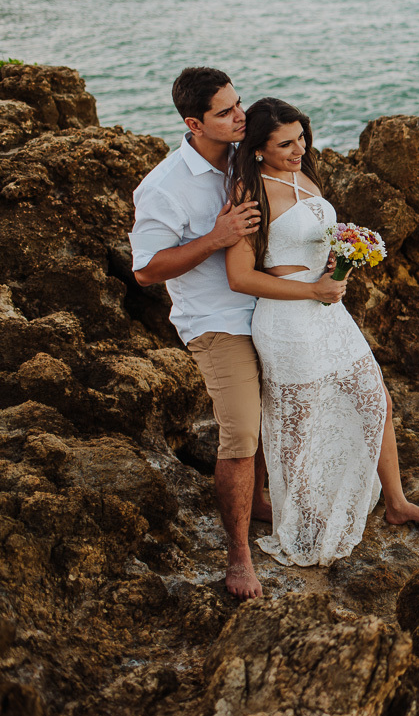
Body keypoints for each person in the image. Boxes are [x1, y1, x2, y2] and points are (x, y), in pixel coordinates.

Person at [225, 97, 419, 567]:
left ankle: (396, 502)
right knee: (299, 423)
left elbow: (311, 235)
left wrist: (338, 258)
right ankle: (301, 518)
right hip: (288, 320)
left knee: (376, 398)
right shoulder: (250, 192)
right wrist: (312, 289)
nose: (299, 148)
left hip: (328, 311)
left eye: (302, 136)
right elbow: (240, 277)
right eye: (285, 143)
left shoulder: (304, 173)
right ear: (259, 148)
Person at [129, 67, 272, 600]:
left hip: (270, 307)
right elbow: (146, 268)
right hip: (215, 322)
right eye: (226, 111)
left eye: (239, 104)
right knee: (239, 433)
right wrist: (217, 237)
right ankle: (239, 559)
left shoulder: (245, 155)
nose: (241, 116)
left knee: (269, 418)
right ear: (194, 123)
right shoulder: (164, 187)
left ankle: (258, 503)